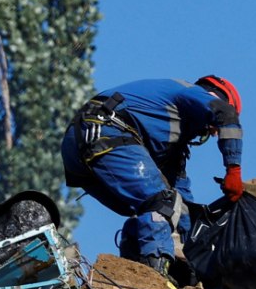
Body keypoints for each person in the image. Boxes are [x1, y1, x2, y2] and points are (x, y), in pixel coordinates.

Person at [62, 76, 245, 277]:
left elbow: (181, 197)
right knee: (160, 203)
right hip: (104, 130)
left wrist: (193, 242)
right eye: (213, 127)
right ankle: (155, 282)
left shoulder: (172, 135)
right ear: (215, 96)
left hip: (83, 147)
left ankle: (134, 277)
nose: (212, 132)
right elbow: (225, 113)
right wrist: (233, 170)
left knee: (156, 208)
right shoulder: (191, 92)